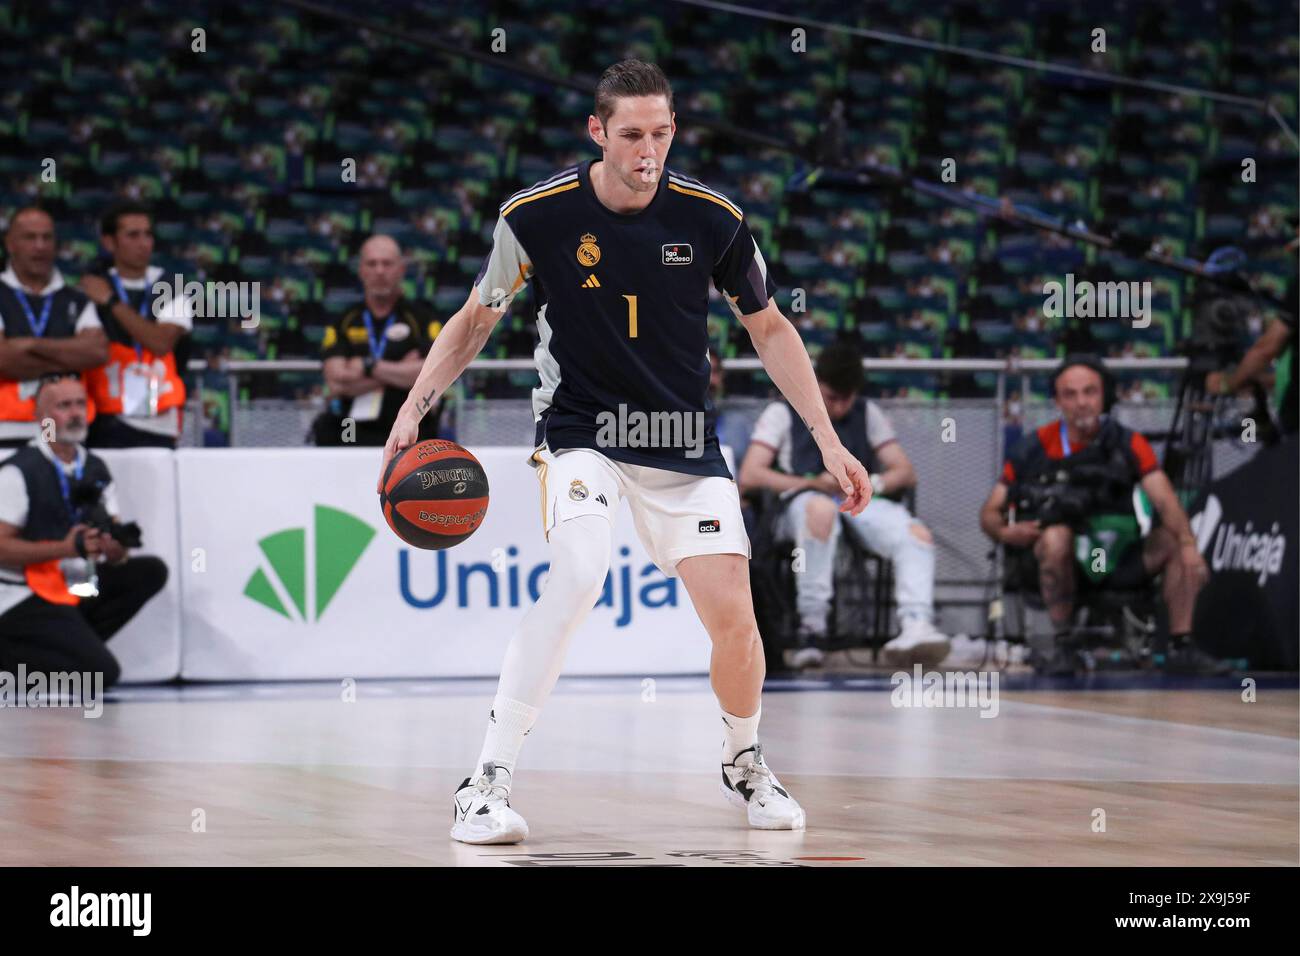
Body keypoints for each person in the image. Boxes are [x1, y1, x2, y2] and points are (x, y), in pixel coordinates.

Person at [378, 59, 872, 844]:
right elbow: (478, 317)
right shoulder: (534, 217)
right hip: (582, 435)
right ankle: (485, 782)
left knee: (738, 627)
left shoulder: (713, 217)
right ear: (598, 132)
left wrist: (829, 440)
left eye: (663, 133)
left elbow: (769, 327)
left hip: (682, 442)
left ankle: (743, 760)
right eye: (633, 134)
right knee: (578, 570)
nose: (649, 151)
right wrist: (413, 410)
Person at [978, 354, 1214, 675]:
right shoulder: (1033, 448)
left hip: (1117, 558)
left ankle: (1181, 647)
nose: (1082, 403)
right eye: (1070, 395)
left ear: (1105, 396)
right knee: (1055, 537)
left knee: (1173, 539)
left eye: (1090, 392)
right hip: (1063, 561)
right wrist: (1006, 533)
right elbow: (990, 512)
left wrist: (1189, 546)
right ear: (1058, 401)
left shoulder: (1129, 442)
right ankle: (1064, 646)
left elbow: (1164, 499)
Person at [739, 341, 951, 669]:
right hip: (799, 501)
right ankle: (813, 628)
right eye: (830, 397)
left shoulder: (868, 413)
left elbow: (904, 471)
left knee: (916, 532)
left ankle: (915, 623)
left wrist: (871, 484)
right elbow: (750, 474)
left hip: (855, 500)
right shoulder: (781, 412)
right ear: (813, 384)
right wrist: (810, 483)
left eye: (846, 399)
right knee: (820, 511)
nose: (838, 408)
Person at [0, 374, 168, 688]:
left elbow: (116, 552)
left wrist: (114, 548)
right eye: (64, 406)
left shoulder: (94, 468)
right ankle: (13, 659)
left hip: (73, 584)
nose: (76, 413)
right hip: (23, 592)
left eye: (80, 403)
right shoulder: (18, 471)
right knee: (101, 674)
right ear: (41, 418)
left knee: (149, 571)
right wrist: (65, 548)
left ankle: (67, 646)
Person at [79, 201, 192, 448]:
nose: (144, 243)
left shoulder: (172, 285)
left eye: (148, 234)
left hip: (159, 417)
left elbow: (160, 343)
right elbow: (85, 348)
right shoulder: (90, 288)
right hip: (104, 415)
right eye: (133, 235)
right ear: (110, 242)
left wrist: (110, 302)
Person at [0, 207, 108, 449]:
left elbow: (97, 352)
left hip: (61, 429)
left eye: (47, 237)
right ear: (10, 243)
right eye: (30, 237)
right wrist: (69, 357)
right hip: (8, 426)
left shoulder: (76, 298)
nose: (40, 246)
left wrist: (29, 345)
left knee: (58, 483)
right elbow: (2, 359)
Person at [317, 235, 440, 446]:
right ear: (361, 270)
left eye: (387, 263)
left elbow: (433, 375)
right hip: (353, 431)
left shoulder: (423, 318)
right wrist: (401, 370)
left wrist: (366, 366)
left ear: (401, 269)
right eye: (372, 264)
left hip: (410, 431)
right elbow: (336, 381)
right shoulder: (343, 321)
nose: (380, 270)